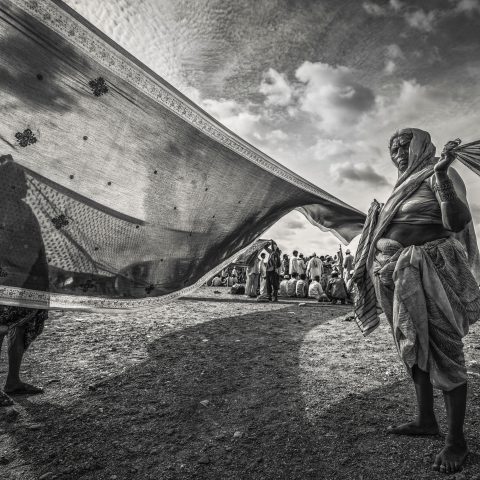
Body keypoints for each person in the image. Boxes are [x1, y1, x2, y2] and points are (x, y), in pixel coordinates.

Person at [353, 128, 480, 474]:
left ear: (422, 146)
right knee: (413, 347)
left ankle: (456, 442)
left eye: (404, 144)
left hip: (431, 272)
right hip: (396, 276)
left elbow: (457, 220)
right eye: (392, 146)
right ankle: (426, 419)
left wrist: (439, 177)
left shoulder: (440, 173)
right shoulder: (400, 188)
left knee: (444, 349)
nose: (397, 150)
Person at [0, 156, 48, 407]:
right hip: (14, 280)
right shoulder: (12, 208)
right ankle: (12, 382)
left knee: (16, 325)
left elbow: (33, 246)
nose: (27, 187)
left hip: (21, 279)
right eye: (22, 181)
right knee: (4, 327)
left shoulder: (18, 207)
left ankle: (13, 381)